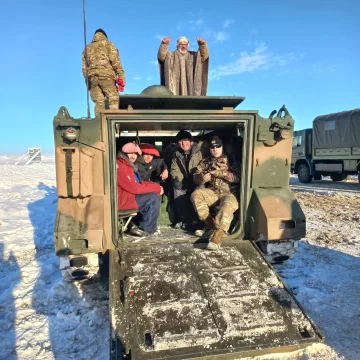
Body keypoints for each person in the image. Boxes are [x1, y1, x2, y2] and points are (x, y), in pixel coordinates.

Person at [191, 136, 240, 250]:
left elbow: (239, 178)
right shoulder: (205, 162)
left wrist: (223, 174)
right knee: (196, 195)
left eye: (218, 146)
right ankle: (209, 226)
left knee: (227, 205)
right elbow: (196, 178)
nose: (215, 149)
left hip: (230, 193)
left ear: (222, 147)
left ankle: (218, 235)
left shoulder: (231, 161)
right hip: (213, 193)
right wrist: (203, 178)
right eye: (212, 147)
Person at [116, 142, 164, 236]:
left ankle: (139, 225)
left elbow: (138, 183)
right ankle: (147, 229)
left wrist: (155, 186)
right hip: (121, 200)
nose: (133, 156)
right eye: (131, 153)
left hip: (125, 196)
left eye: (135, 154)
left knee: (152, 195)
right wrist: (156, 188)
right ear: (125, 153)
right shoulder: (122, 166)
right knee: (152, 198)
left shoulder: (127, 164)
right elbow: (134, 188)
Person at [82, 28, 126, 115]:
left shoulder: (86, 49)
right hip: (106, 76)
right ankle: (114, 124)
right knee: (113, 99)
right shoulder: (108, 44)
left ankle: (100, 125)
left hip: (93, 79)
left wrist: (88, 84)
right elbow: (115, 61)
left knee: (99, 103)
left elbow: (84, 69)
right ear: (105, 36)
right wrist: (121, 77)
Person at [170, 130, 205, 229]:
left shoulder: (201, 150)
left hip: (199, 180)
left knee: (200, 189)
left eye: (185, 140)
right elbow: (174, 168)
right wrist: (178, 179)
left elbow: (206, 164)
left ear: (190, 140)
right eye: (180, 141)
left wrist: (199, 176)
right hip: (186, 180)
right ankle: (183, 219)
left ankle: (198, 219)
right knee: (177, 189)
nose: (183, 143)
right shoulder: (176, 154)